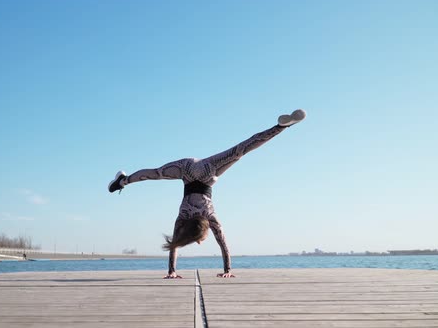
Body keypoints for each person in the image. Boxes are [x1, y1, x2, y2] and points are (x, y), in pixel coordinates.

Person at [108, 110, 306, 278]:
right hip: (187, 168)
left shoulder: (210, 218)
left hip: (206, 172)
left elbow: (223, 244)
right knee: (155, 174)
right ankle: (280, 128)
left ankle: (280, 128)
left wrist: (228, 269)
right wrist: (172, 271)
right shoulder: (183, 219)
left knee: (241, 150)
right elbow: (175, 245)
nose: (202, 241)